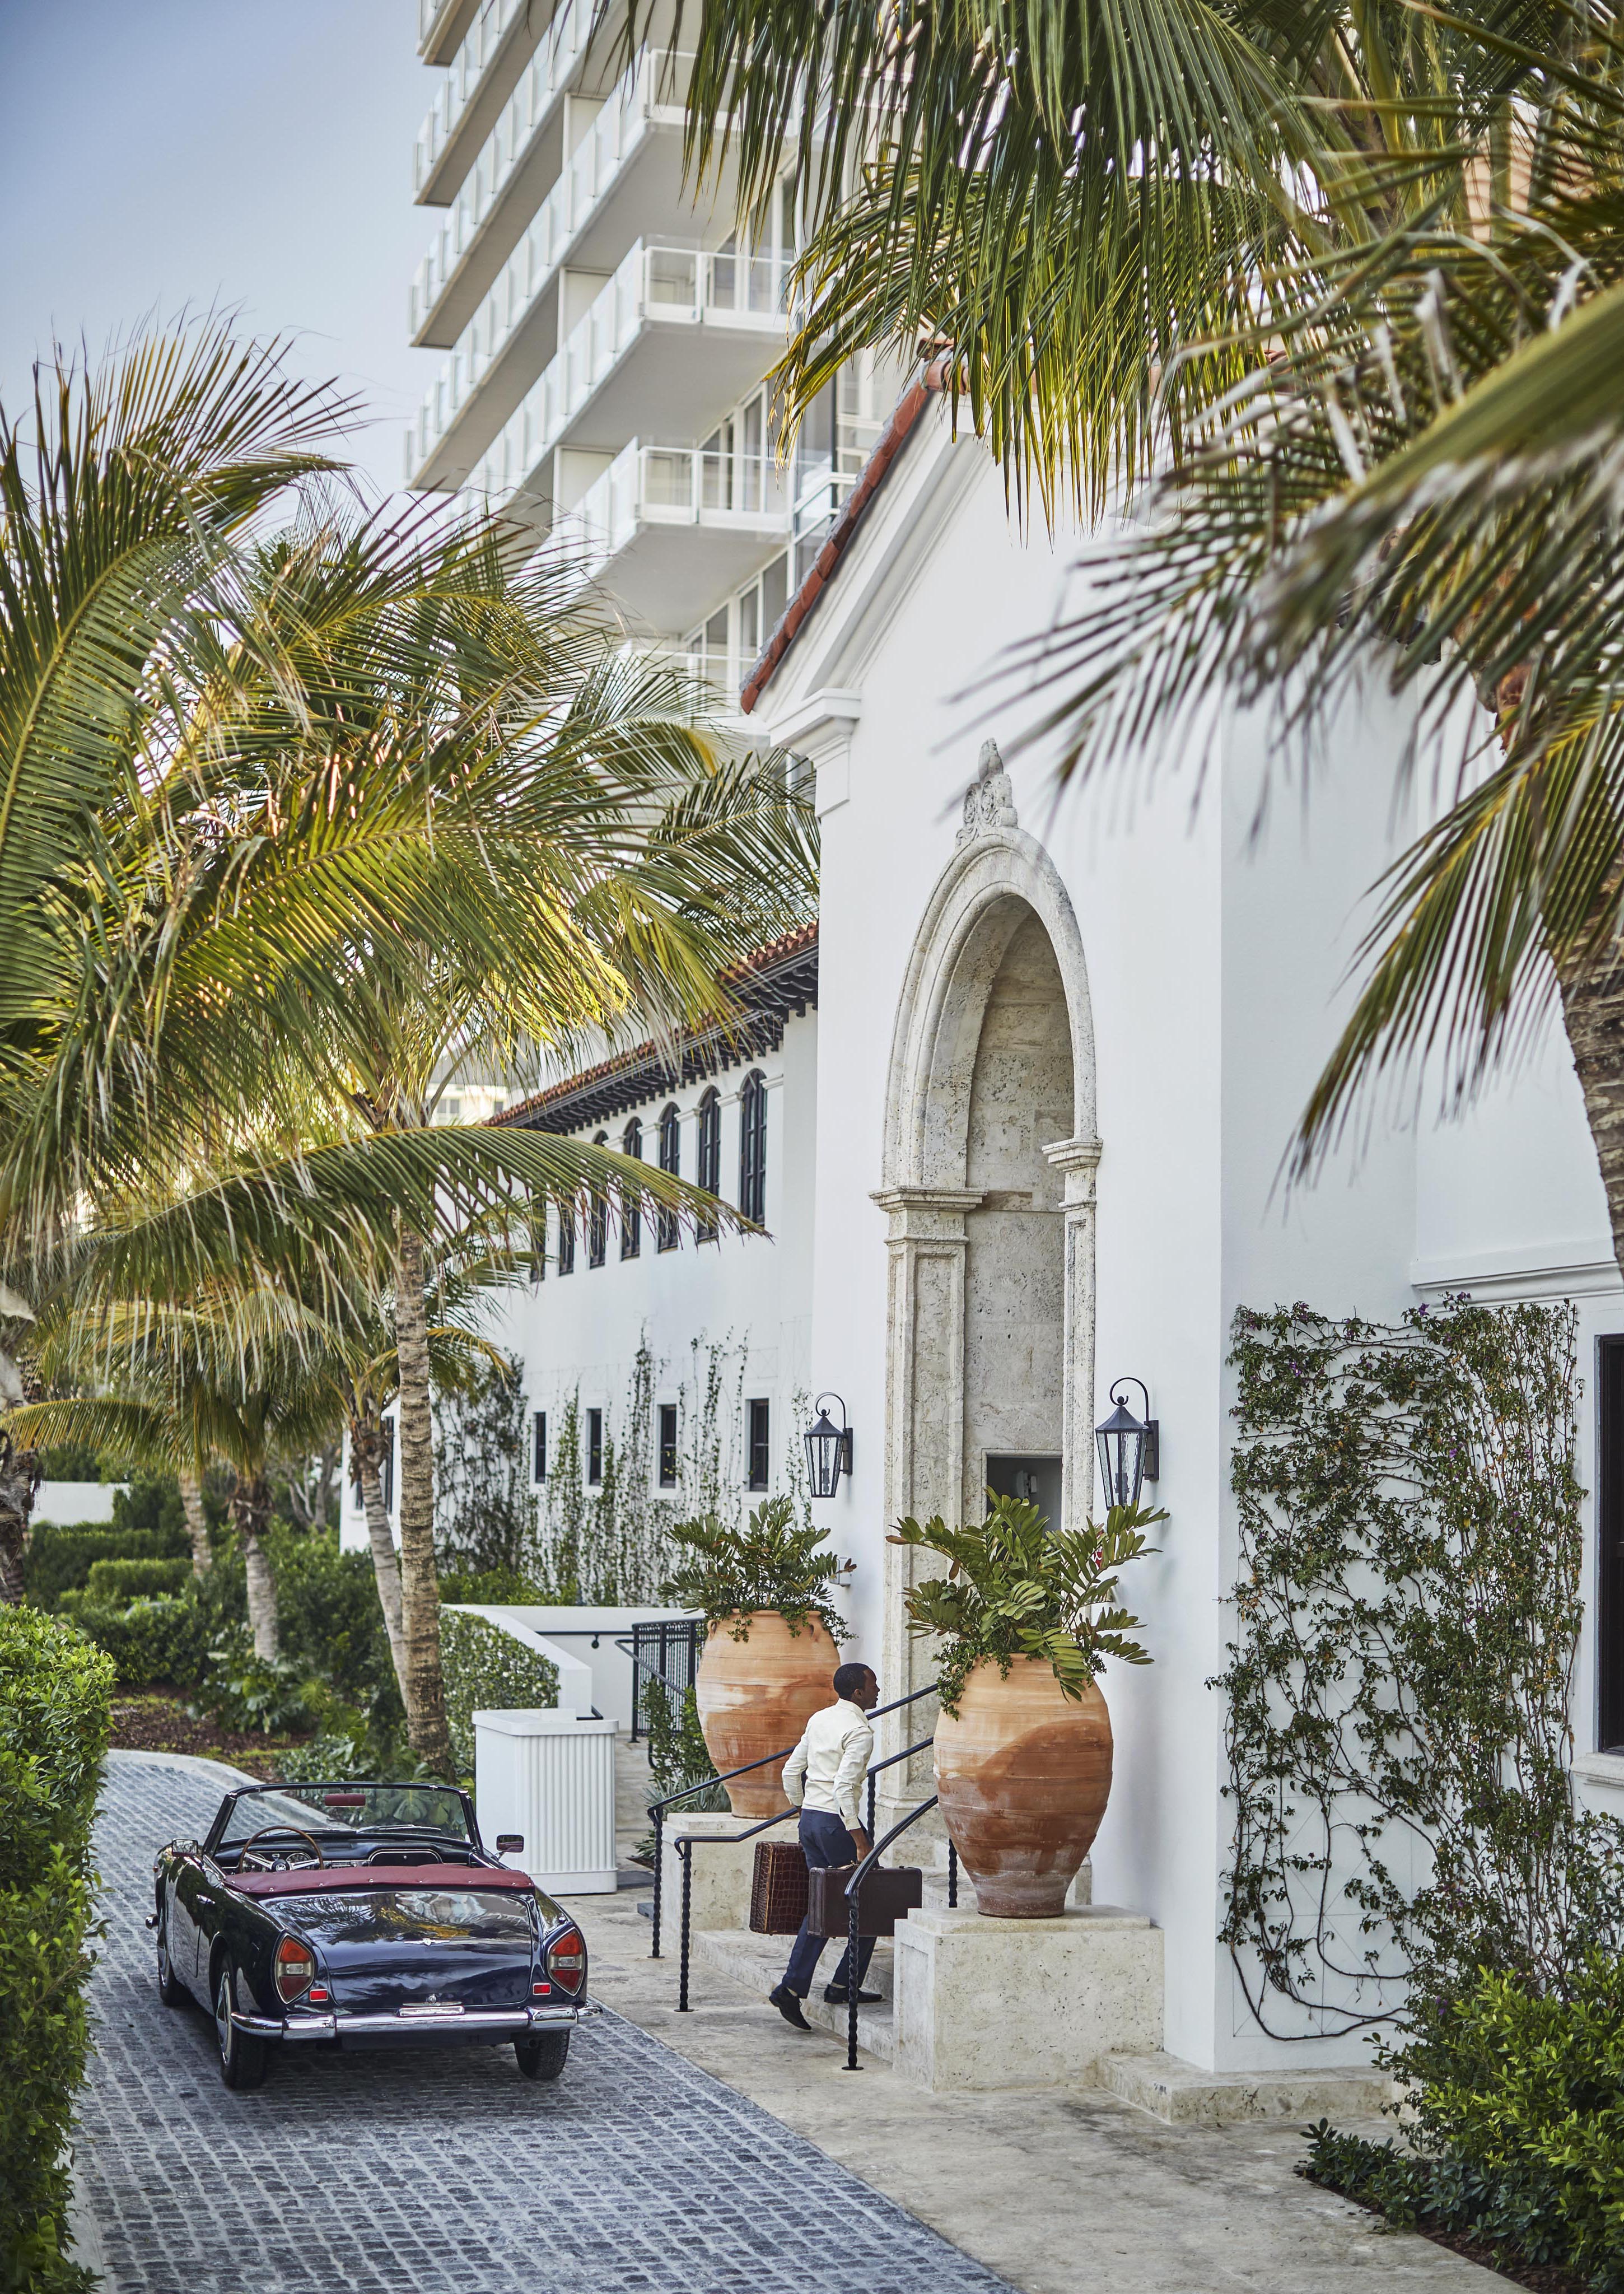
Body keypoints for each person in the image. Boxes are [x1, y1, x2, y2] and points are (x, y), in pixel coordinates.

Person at [768, 1661, 884, 2031]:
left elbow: (791, 1770)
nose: (878, 1691)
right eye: (873, 1685)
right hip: (837, 1825)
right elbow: (844, 1790)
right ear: (858, 1693)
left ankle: (800, 1985)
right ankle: (835, 1986)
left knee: (821, 1905)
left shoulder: (820, 1718)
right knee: (872, 1899)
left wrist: (801, 1806)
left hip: (811, 1822)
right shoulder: (859, 1731)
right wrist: (861, 1840)